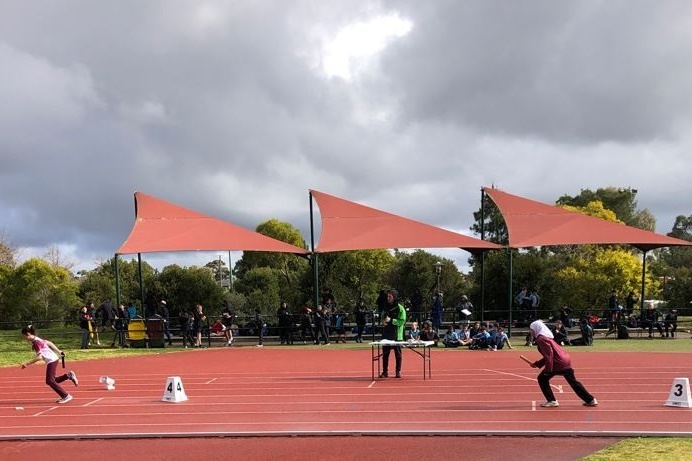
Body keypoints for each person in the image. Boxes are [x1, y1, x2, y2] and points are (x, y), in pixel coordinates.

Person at [528, 320, 598, 408]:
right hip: (564, 360)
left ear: (536, 328)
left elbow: (549, 356)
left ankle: (552, 401)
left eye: (531, 329)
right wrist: (537, 364)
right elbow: (549, 355)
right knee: (573, 382)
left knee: (542, 378)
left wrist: (548, 371)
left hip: (558, 362)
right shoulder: (546, 337)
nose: (530, 331)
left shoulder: (541, 339)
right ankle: (590, 400)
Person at [20, 325, 78, 404]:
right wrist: (59, 351)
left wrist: (27, 364)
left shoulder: (36, 343)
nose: (24, 338)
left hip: (51, 360)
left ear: (28, 334)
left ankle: (66, 396)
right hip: (53, 359)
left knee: (50, 381)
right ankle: (68, 375)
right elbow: (49, 343)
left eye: (24, 336)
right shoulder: (37, 339)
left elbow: (39, 357)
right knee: (52, 380)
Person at [379, 289, 406, 378]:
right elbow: (382, 318)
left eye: (390, 296)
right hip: (386, 334)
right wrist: (383, 322)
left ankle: (398, 372)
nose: (388, 298)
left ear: (394, 297)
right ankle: (385, 372)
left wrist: (391, 320)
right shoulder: (385, 306)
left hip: (396, 335)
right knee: (385, 355)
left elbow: (402, 322)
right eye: (387, 296)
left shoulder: (400, 308)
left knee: (398, 355)